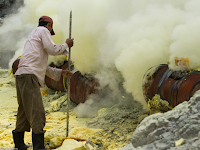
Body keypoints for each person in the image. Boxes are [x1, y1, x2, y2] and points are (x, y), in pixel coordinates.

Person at [12, 16, 74, 150]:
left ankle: (19, 145)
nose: (51, 31)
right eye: (51, 27)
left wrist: (60, 73)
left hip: (21, 75)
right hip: (29, 77)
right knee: (37, 112)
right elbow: (52, 49)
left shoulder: (32, 37)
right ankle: (39, 147)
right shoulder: (43, 31)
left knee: (23, 111)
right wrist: (66, 45)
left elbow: (39, 66)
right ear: (49, 25)